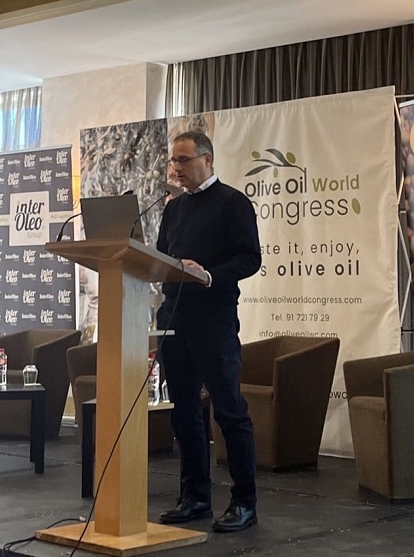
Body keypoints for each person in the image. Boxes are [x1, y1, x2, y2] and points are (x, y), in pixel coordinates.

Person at [156, 130, 261, 533]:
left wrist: (209, 275)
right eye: (174, 161)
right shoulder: (173, 209)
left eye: (183, 160)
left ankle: (244, 502)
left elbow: (250, 258)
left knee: (229, 410)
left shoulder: (233, 203)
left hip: (214, 320)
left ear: (208, 159)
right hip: (174, 319)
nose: (176, 169)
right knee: (184, 411)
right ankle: (195, 497)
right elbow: (160, 257)